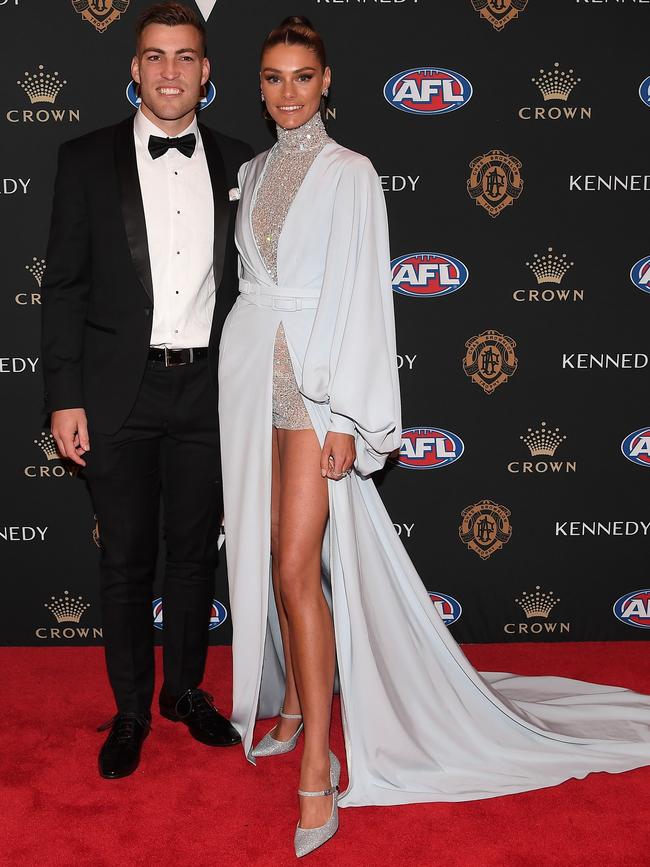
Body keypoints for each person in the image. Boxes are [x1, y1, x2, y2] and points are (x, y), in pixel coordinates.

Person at [218, 15, 650, 858]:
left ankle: (317, 764)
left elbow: (360, 301)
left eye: (303, 77)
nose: (287, 93)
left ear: (328, 81)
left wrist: (347, 416)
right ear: (258, 84)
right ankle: (302, 703)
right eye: (273, 77)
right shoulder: (255, 168)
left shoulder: (352, 174)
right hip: (249, 388)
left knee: (297, 565)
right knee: (270, 554)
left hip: (314, 393)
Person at [41, 2, 253, 780]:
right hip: (114, 392)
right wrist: (64, 396)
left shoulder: (243, 162)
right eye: (156, 56)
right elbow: (61, 287)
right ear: (134, 69)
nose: (170, 70)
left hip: (208, 389)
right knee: (126, 560)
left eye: (185, 56)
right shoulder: (83, 158)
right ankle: (131, 709)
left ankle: (186, 690)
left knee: (194, 554)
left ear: (206, 71)